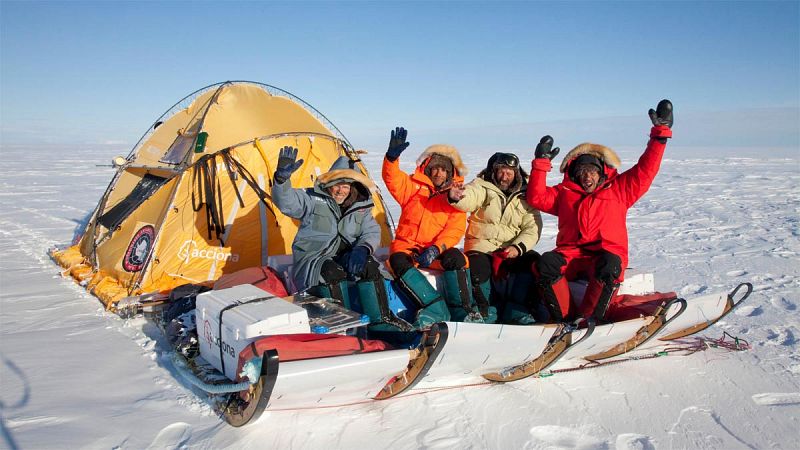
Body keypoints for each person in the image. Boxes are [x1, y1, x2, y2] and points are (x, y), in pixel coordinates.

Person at [526, 99, 674, 322]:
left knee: (610, 264)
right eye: (582, 171)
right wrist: (540, 164)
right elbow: (536, 197)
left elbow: (646, 169)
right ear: (574, 174)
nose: (587, 176)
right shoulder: (565, 193)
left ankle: (588, 320)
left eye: (592, 171)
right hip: (572, 255)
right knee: (545, 263)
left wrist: (660, 135)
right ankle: (563, 320)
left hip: (605, 254)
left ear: (601, 172)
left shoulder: (621, 189)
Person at [272, 146, 411, 332]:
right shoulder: (312, 199)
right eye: (337, 184)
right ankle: (341, 326)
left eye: (346, 186)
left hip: (345, 256)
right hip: (313, 259)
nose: (340, 190)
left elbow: (371, 231)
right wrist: (281, 181)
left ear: (352, 187)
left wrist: (363, 249)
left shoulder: (360, 207)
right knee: (332, 271)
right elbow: (288, 203)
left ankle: (381, 321)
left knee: (369, 265)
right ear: (329, 183)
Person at [382, 127, 479, 327]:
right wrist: (391, 158)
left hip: (435, 250)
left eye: (443, 169)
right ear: (427, 168)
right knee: (398, 260)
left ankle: (464, 311)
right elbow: (392, 179)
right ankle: (434, 307)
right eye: (435, 168)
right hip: (408, 247)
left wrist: (436, 249)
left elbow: (454, 230)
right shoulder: (413, 187)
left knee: (457, 258)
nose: (438, 173)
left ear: (450, 172)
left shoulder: (455, 196)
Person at [448, 151, 543, 324]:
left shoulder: (525, 195)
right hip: (482, 246)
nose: (504, 176)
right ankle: (486, 310)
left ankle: (517, 309)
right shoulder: (483, 186)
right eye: (501, 171)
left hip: (512, 248)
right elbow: (470, 196)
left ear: (516, 173)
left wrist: (517, 248)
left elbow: (533, 228)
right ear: (493, 171)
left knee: (532, 261)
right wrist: (457, 196)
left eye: (509, 172)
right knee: (477, 268)